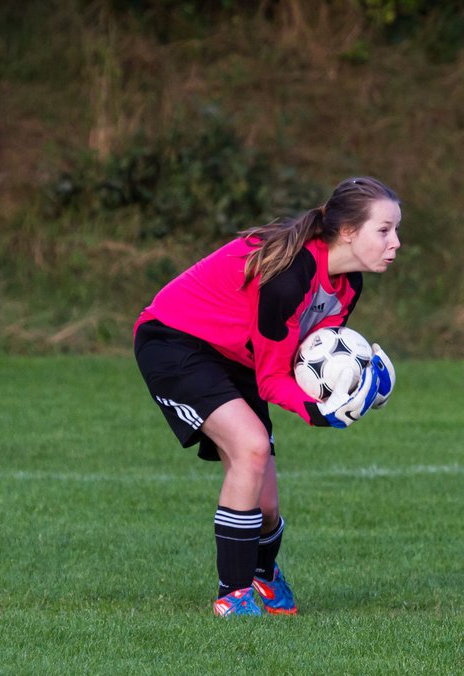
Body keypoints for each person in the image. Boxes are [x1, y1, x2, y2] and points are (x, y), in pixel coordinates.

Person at [133, 176, 400, 617]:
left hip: (238, 356)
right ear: (349, 232)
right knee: (251, 447)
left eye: (396, 231)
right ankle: (232, 595)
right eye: (384, 230)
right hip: (175, 341)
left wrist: (359, 384)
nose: (395, 242)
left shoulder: (349, 286)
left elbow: (305, 359)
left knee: (267, 504)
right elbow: (273, 377)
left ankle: (264, 574)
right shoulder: (290, 276)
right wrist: (320, 413)